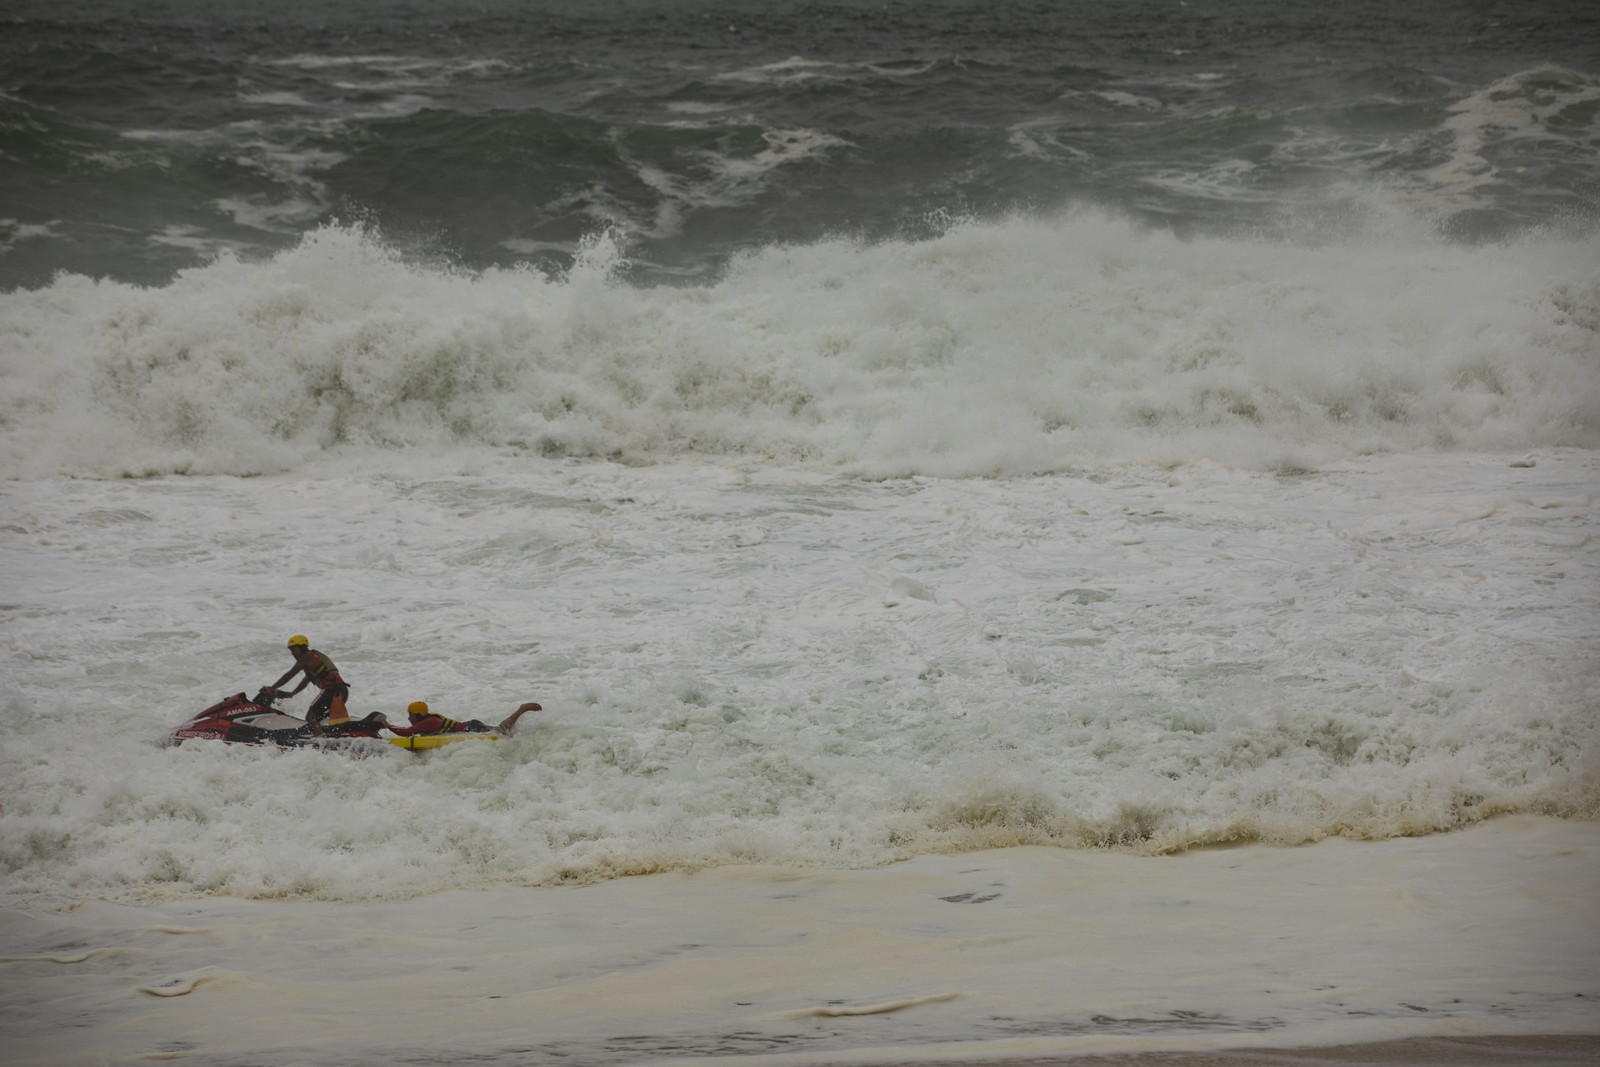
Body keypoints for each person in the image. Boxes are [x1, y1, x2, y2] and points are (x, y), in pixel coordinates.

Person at [267, 634, 351, 733]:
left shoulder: (307, 656)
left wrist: (272, 688)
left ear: (302, 647)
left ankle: (321, 740)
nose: (292, 653)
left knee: (310, 716)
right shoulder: (313, 659)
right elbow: (306, 681)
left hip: (331, 690)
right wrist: (292, 694)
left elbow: (290, 674)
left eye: (294, 649)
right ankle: (329, 735)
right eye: (291, 650)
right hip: (342, 690)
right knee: (320, 718)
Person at [381, 699, 542, 737]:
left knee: (501, 731)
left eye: (410, 715)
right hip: (470, 725)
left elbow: (407, 732)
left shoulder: (428, 722)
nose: (408, 718)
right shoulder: (427, 721)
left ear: (417, 715)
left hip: (471, 728)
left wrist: (388, 726)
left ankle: (521, 710)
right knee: (502, 731)